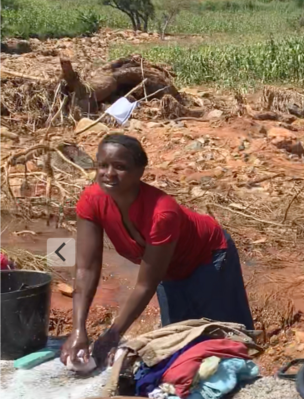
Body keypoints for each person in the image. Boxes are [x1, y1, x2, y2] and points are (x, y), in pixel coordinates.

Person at [61, 134, 253, 368]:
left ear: (140, 172)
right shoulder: (92, 200)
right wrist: (78, 329)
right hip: (167, 270)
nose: (109, 174)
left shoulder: (161, 213)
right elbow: (86, 268)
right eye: (102, 165)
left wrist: (112, 335)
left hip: (209, 257)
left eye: (120, 167)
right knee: (176, 343)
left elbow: (145, 284)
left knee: (227, 338)